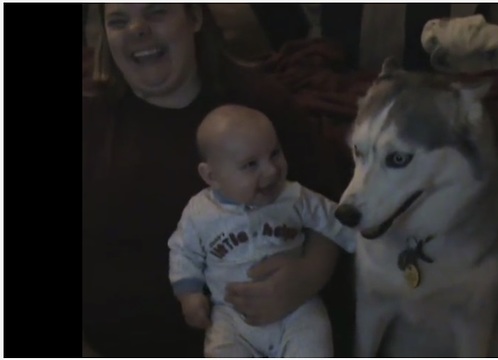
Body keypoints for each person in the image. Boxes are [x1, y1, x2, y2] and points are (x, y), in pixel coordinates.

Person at [83, 4, 349, 357]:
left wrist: (307, 277)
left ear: (194, 18)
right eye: (118, 21)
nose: (137, 29)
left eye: (156, 12)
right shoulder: (92, 121)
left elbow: (335, 214)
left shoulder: (258, 106)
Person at [169, 105, 355, 357]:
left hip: (298, 309)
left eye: (275, 153)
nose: (271, 170)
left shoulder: (294, 197)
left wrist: (373, 245)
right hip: (232, 317)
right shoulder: (199, 212)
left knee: (314, 343)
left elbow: (337, 222)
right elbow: (183, 251)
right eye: (250, 164)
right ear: (211, 176)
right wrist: (189, 295)